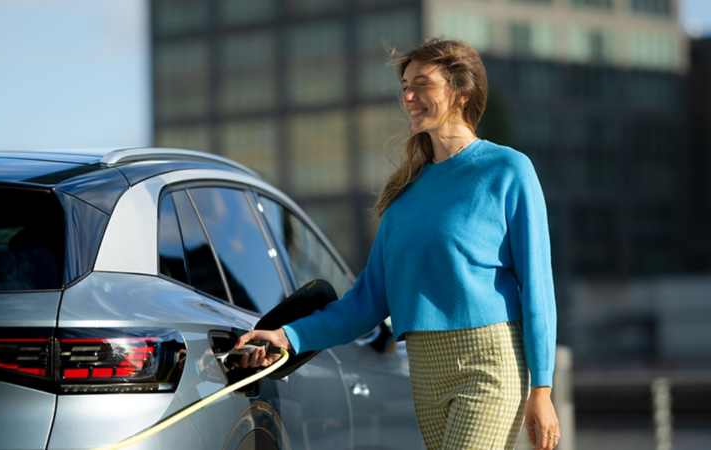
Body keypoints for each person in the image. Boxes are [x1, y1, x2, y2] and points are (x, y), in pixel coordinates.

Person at [235, 37, 560, 450]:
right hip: (424, 369)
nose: (408, 96)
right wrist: (287, 336)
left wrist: (543, 390)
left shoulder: (507, 170)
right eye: (405, 85)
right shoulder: (403, 198)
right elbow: (365, 303)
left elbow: (538, 288)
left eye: (422, 84)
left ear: (461, 91)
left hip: (490, 363)